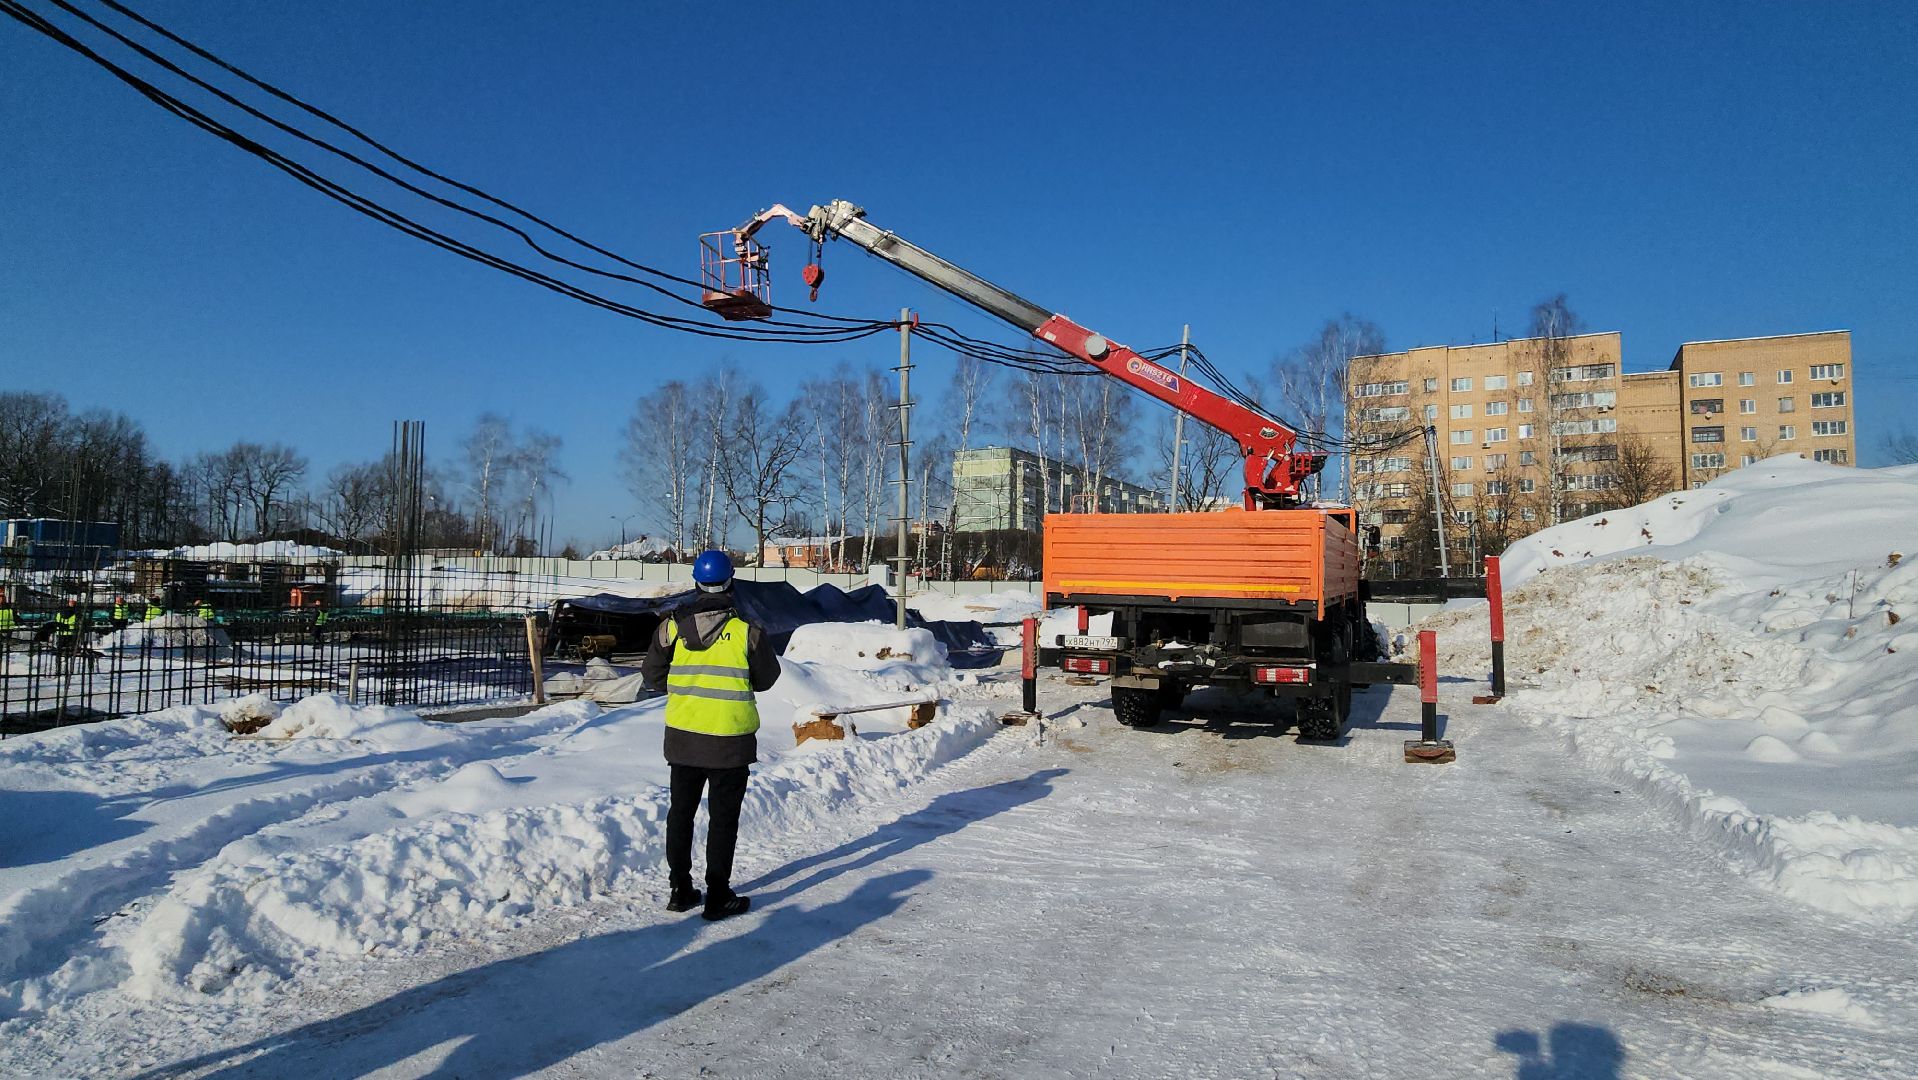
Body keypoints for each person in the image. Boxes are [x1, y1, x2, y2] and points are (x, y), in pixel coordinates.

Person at [640, 549, 779, 922]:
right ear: (730, 581)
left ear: (696, 583)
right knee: (723, 819)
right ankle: (718, 894)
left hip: (684, 740)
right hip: (729, 744)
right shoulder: (748, 633)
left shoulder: (670, 629)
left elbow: (652, 677)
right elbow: (767, 680)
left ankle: (680, 890)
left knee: (681, 813)